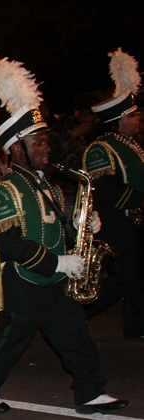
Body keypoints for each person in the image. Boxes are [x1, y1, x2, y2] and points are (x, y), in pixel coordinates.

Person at [0, 56, 127, 414]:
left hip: (53, 275)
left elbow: (59, 228)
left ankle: (89, 390)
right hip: (25, 277)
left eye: (46, 141)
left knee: (74, 336)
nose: (47, 148)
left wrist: (85, 229)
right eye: (38, 143)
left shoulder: (48, 187)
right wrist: (58, 261)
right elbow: (9, 243)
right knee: (12, 336)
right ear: (17, 148)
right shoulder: (3, 190)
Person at [82, 49, 144, 339]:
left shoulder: (132, 145)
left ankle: (136, 325)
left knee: (137, 276)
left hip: (135, 219)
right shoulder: (102, 146)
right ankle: (79, 313)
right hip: (117, 220)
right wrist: (138, 200)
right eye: (134, 116)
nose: (138, 120)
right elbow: (104, 187)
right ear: (119, 119)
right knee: (124, 276)